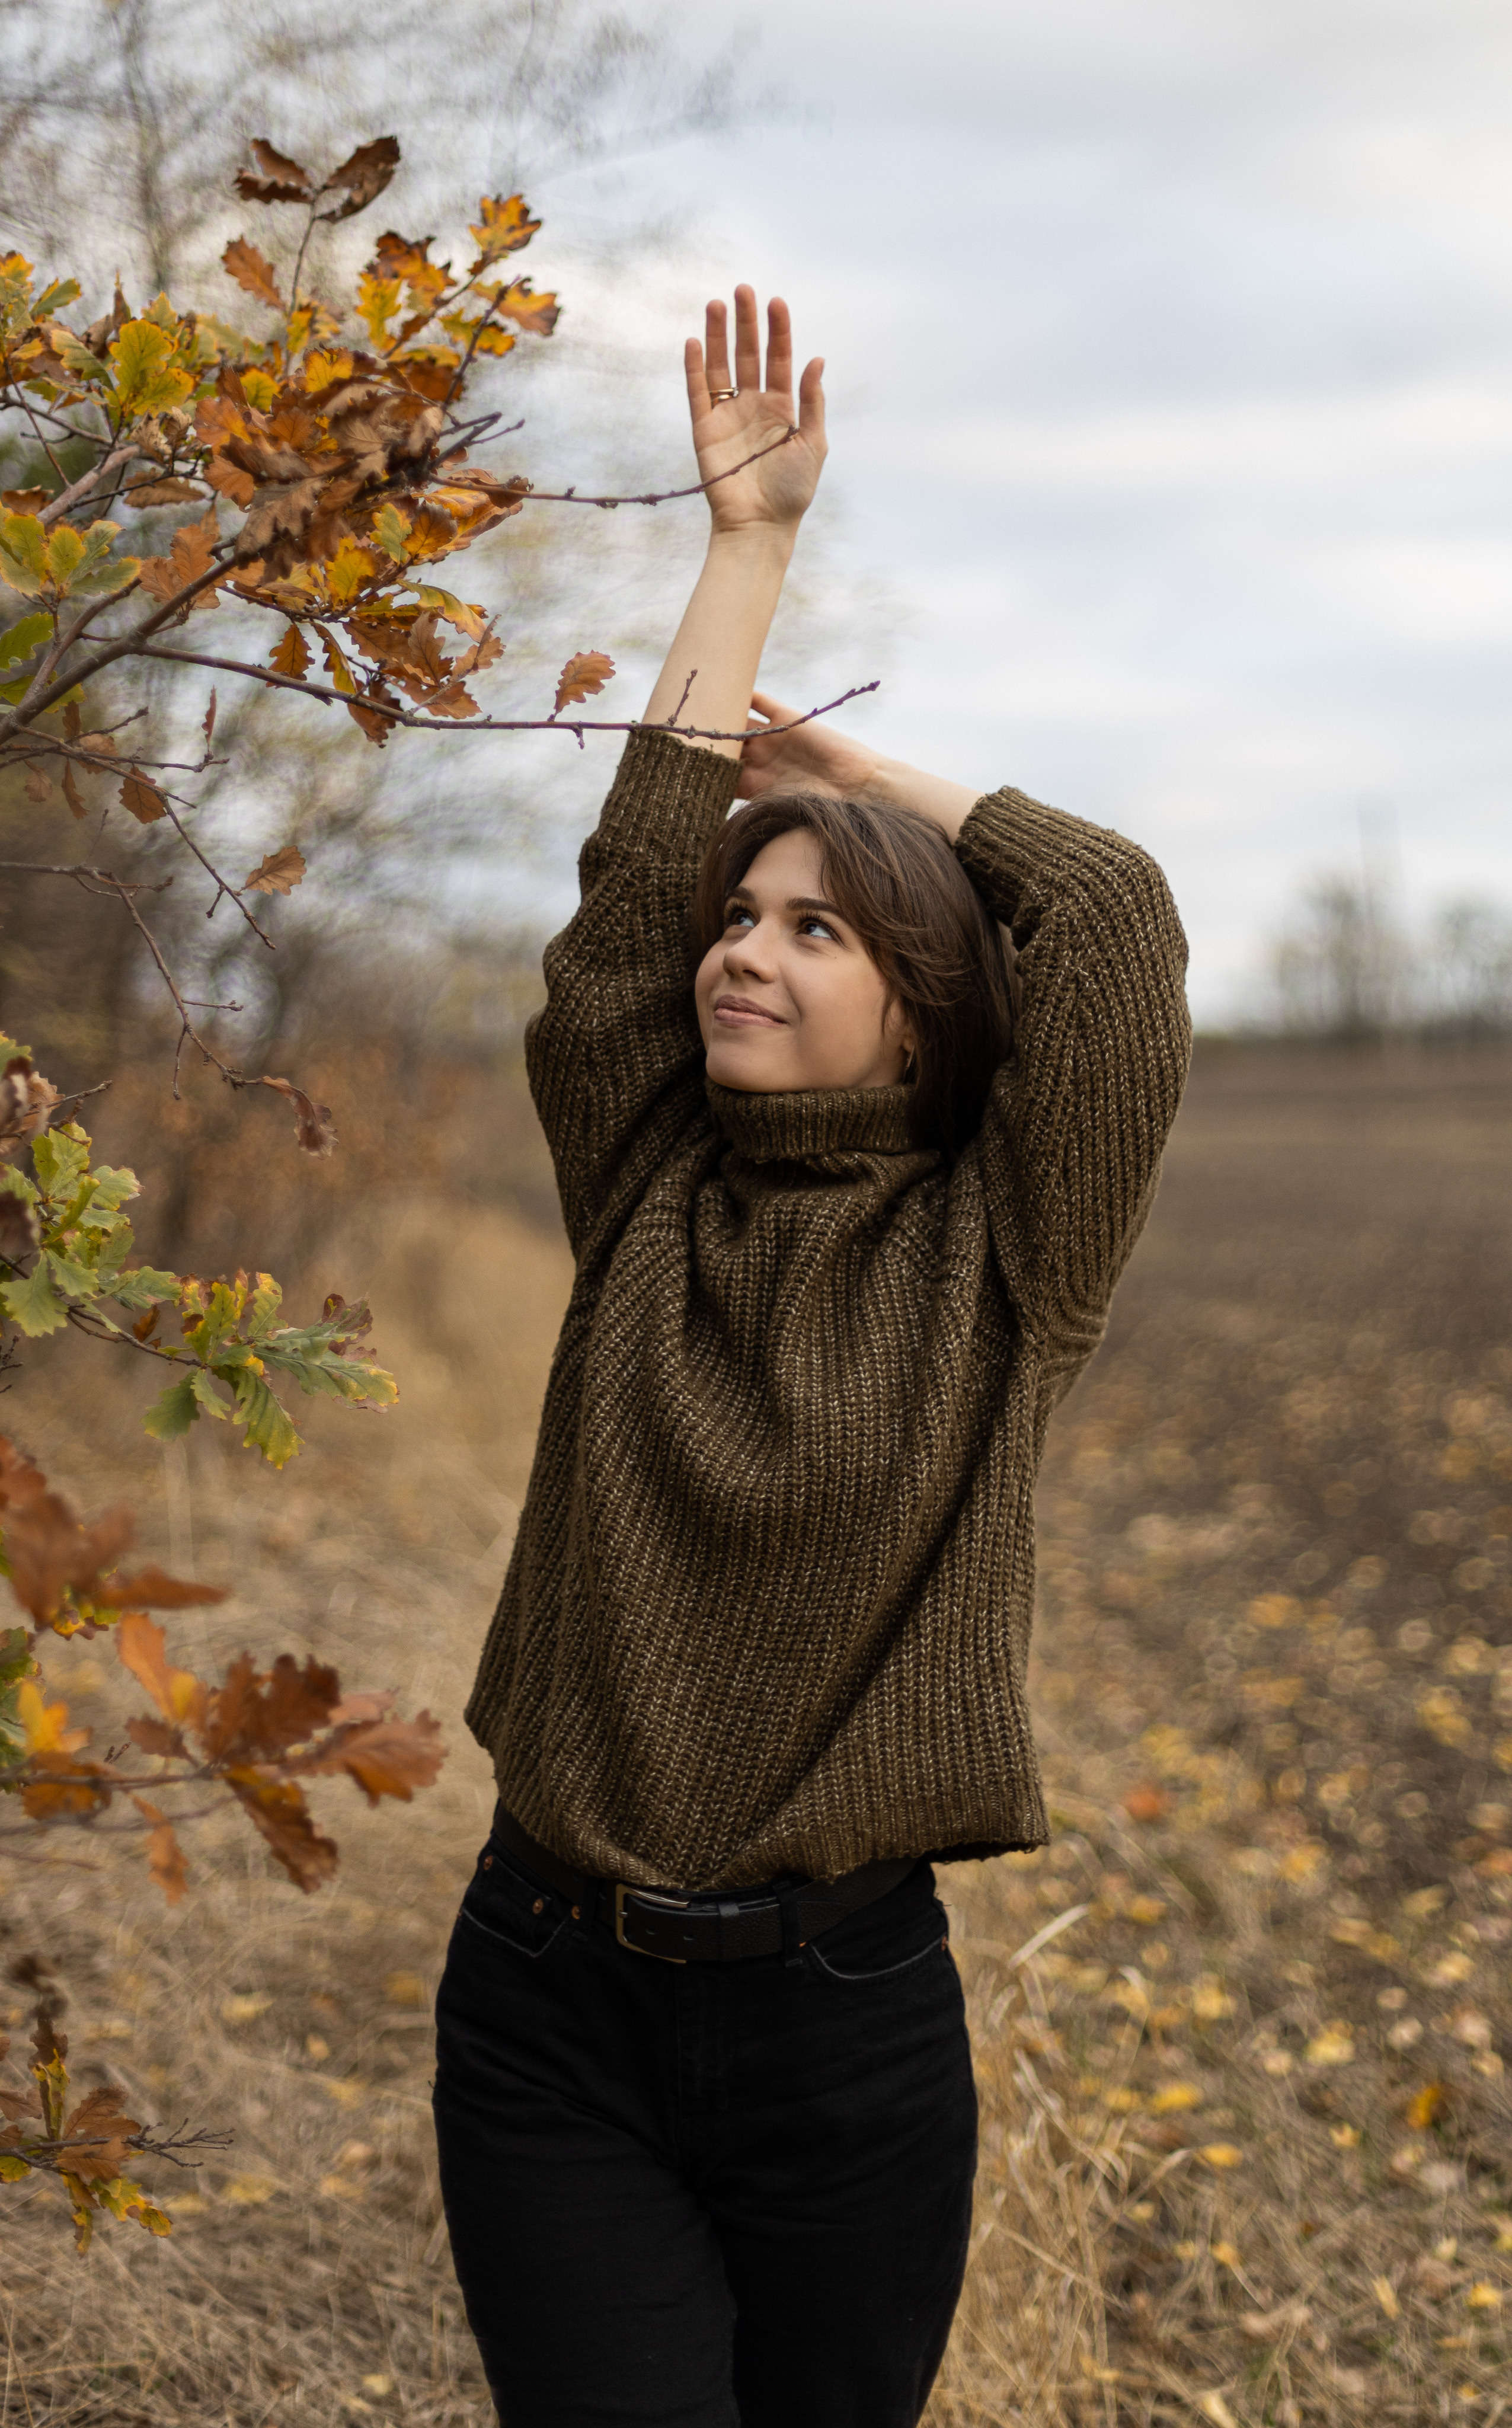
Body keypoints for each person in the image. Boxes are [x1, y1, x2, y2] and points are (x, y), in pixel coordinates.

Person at [433, 286, 1191, 2428]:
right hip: (546, 1992)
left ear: (926, 1005)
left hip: (844, 2023)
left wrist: (856, 778)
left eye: (817, 927)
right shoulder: (647, 1170)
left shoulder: (1006, 1253)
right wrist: (743, 558)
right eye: (742, 919)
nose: (745, 950)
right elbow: (615, 924)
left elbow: (1117, 920)